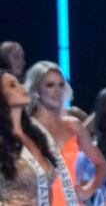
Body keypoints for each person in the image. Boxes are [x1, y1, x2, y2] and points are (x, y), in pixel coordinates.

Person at [25, 61, 106, 205]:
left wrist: (88, 190)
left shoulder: (74, 126)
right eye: (50, 85)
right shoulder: (27, 128)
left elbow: (102, 165)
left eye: (61, 85)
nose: (57, 90)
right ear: (36, 89)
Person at [0, 69, 56, 205]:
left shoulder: (35, 136)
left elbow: (46, 188)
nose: (21, 88)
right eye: (12, 85)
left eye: (19, 83)